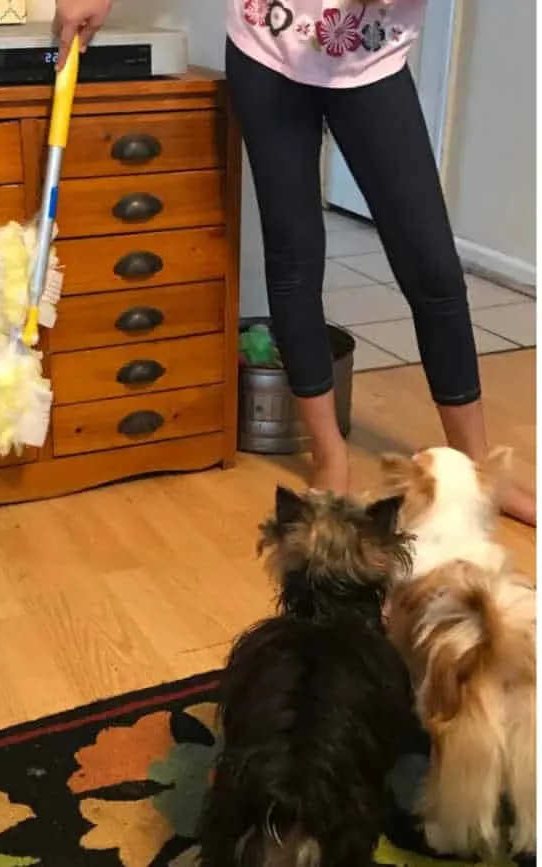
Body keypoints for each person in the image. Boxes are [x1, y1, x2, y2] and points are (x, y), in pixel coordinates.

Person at [52, 0, 536, 526]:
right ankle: (329, 453)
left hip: (373, 58)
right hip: (269, 49)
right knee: (295, 258)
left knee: (433, 268)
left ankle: (477, 469)